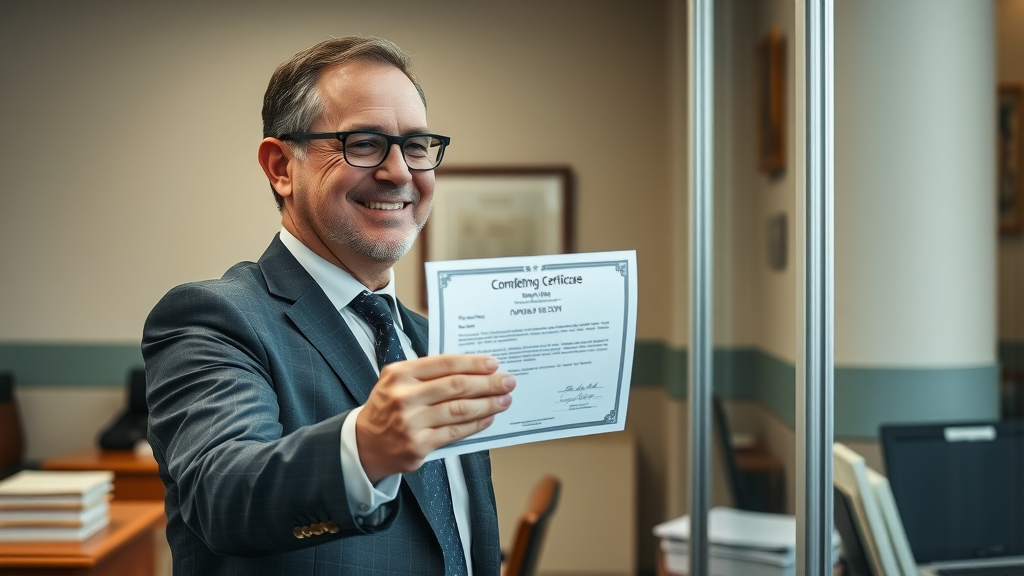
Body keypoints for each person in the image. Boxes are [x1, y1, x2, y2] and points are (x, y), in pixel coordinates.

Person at [143, 36, 515, 576]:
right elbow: (222, 496)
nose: (399, 173)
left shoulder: (432, 341)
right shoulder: (213, 319)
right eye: (363, 143)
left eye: (415, 146)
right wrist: (365, 447)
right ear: (280, 167)